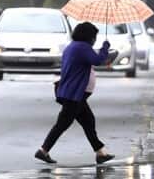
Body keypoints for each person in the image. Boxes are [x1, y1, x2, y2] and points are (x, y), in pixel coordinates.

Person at [35, 21, 116, 165]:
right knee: (62, 124)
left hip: (74, 94)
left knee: (88, 121)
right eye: (94, 37)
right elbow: (97, 60)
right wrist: (105, 48)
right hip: (74, 95)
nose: (94, 40)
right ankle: (43, 150)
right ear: (88, 36)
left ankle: (100, 153)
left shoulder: (73, 46)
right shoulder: (82, 47)